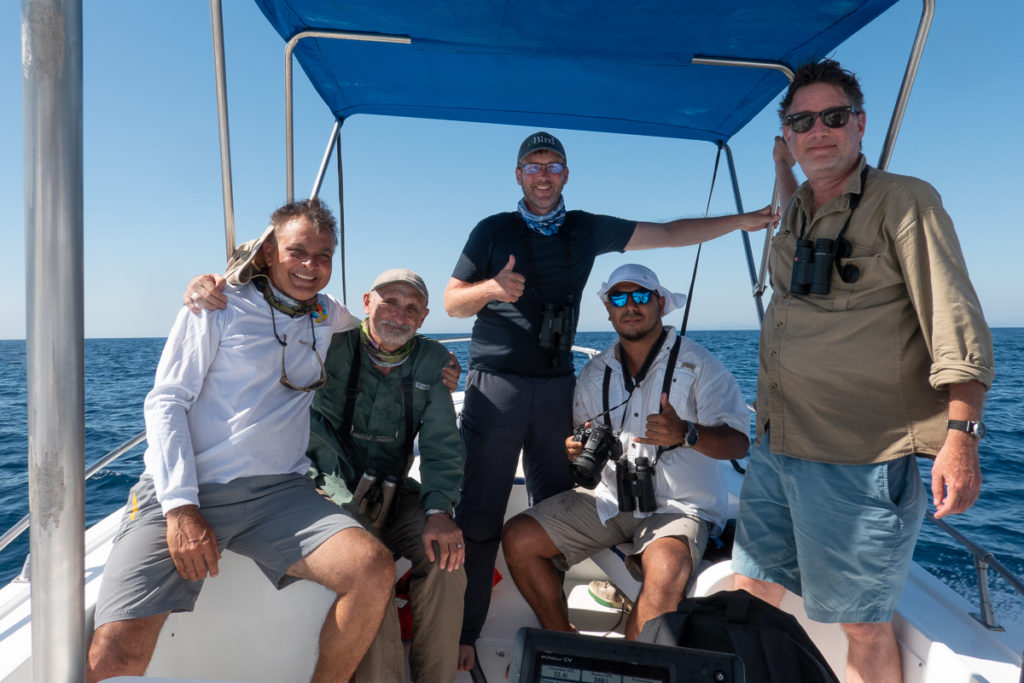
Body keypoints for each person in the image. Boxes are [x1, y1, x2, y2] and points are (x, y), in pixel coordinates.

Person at [445, 131, 775, 668]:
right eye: (533, 166)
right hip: (498, 384)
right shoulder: (493, 231)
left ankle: (563, 639)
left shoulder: (585, 230)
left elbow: (669, 232)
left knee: (553, 499)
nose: (544, 174)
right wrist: (491, 289)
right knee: (481, 512)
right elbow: (452, 303)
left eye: (554, 165)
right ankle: (466, 630)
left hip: (555, 382)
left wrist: (740, 221)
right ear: (519, 175)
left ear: (567, 174)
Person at [732, 60, 994, 683]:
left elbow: (958, 329)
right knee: (749, 592)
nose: (818, 130)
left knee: (861, 622)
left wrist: (962, 441)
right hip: (776, 443)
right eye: (802, 121)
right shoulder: (794, 208)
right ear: (789, 136)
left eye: (833, 116)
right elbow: (784, 198)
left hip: (858, 457)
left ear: (860, 124)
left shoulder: (905, 202)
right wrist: (778, 172)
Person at [86, 199, 395, 683]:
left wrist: (437, 361)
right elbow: (166, 402)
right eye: (298, 252)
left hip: (280, 493)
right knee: (113, 658)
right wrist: (181, 508)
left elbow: (382, 332)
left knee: (372, 569)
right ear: (270, 252)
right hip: (192, 489)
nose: (311, 267)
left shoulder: (325, 313)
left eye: (323, 256)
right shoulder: (217, 304)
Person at [501, 263, 750, 639]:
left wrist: (687, 433)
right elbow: (584, 433)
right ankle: (561, 645)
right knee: (519, 538)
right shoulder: (594, 372)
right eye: (619, 297)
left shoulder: (701, 366)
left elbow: (739, 442)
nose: (630, 305)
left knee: (666, 569)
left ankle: (631, 672)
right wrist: (575, 448)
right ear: (608, 309)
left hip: (678, 505)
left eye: (640, 296)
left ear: (661, 303)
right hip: (609, 502)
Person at [305, 268, 466, 682]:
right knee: (369, 568)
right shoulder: (328, 345)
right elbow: (311, 432)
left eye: (411, 307)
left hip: (394, 493)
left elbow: (442, 444)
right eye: (389, 301)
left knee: (446, 558)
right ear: (366, 303)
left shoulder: (433, 361)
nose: (399, 314)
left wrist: (439, 509)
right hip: (328, 492)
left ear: (424, 318)